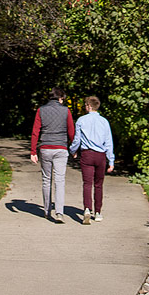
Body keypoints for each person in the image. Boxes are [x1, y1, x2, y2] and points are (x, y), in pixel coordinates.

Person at [30, 87, 75, 222]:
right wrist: (74, 148)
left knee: (46, 179)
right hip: (61, 148)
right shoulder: (66, 111)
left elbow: (35, 131)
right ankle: (59, 213)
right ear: (60, 98)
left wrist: (33, 151)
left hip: (45, 148)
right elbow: (71, 131)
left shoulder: (41, 110)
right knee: (60, 180)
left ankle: (47, 210)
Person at [69, 95, 114, 224]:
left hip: (87, 154)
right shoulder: (104, 122)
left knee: (87, 183)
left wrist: (73, 151)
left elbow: (77, 139)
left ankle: (87, 209)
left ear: (88, 106)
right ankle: (98, 212)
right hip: (100, 155)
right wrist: (111, 160)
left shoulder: (81, 120)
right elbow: (108, 142)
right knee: (98, 184)